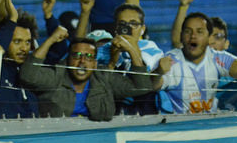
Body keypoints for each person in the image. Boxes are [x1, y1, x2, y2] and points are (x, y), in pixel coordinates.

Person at [19, 37, 154, 121]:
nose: (82, 61)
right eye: (77, 56)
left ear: (95, 64)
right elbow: (27, 76)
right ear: (67, 61)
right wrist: (50, 40)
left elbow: (141, 87)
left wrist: (132, 51)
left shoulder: (103, 78)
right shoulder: (57, 75)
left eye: (89, 57)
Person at [158, 12, 237, 114]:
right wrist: (158, 72)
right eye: (188, 32)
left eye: (199, 32)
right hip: (180, 125)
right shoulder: (173, 61)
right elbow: (152, 85)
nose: (193, 36)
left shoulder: (220, 59)